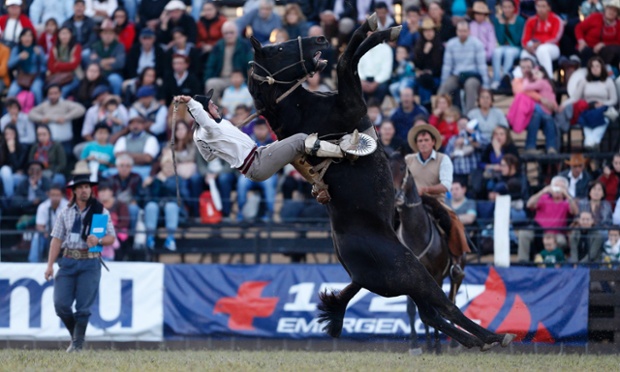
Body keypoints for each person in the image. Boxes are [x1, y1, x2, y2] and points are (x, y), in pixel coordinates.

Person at [177, 90, 354, 202]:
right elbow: (206, 126)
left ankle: (319, 186)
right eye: (210, 104)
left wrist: (223, 143)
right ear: (203, 111)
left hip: (257, 158)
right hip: (256, 163)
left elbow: (209, 156)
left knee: (290, 148)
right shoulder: (207, 129)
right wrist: (191, 102)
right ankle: (344, 151)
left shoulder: (206, 131)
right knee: (300, 140)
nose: (215, 105)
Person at [44, 174, 116, 352]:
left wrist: (98, 241)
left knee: (83, 308)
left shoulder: (100, 211)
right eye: (81, 187)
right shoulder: (65, 212)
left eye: (87, 187)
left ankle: (77, 345)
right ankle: (76, 337)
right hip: (68, 261)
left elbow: (111, 238)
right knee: (61, 305)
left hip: (90, 262)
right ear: (74, 191)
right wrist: (50, 265)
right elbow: (56, 240)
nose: (85, 190)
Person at [404, 124, 468, 281]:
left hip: (435, 201)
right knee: (391, 220)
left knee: (451, 222)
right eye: (420, 141)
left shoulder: (443, 159)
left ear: (433, 142)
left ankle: (455, 261)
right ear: (417, 144)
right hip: (410, 203)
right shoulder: (408, 160)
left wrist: (425, 189)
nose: (423, 143)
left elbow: (446, 185)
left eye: (426, 140)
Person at [558, 56, 618, 150]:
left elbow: (614, 99)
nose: (595, 68)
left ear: (602, 67)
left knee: (605, 117)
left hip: (604, 108)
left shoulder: (608, 81)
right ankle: (591, 142)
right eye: (592, 66)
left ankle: (592, 142)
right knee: (586, 120)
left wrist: (603, 103)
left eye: (597, 66)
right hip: (589, 108)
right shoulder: (584, 82)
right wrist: (563, 104)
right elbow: (575, 97)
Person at [517, 176, 578, 262]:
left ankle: (554, 263)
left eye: (561, 187)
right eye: (556, 186)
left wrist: (567, 194)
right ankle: (523, 262)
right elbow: (529, 204)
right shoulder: (544, 197)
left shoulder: (567, 202)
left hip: (557, 233)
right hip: (538, 229)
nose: (558, 190)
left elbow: (575, 211)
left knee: (561, 241)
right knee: (524, 233)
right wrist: (542, 191)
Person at [439, 20, 489, 114]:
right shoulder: (451, 44)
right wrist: (443, 81)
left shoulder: (477, 44)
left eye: (464, 31)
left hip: (473, 75)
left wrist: (485, 85)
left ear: (469, 31)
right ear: (456, 31)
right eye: (460, 31)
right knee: (445, 87)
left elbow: (482, 66)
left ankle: (469, 115)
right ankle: (440, 114)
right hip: (457, 74)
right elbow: (447, 66)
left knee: (470, 85)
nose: (462, 33)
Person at [28, 84, 86, 156]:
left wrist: (66, 117)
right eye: (51, 93)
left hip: (65, 140)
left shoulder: (66, 104)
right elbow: (31, 114)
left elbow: (81, 109)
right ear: (47, 95)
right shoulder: (44, 105)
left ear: (60, 93)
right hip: (50, 142)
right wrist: (42, 118)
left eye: (55, 93)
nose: (53, 96)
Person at [204, 21, 253, 104]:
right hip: (222, 79)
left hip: (240, 78)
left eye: (231, 32)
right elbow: (210, 66)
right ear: (223, 34)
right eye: (226, 33)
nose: (229, 35)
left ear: (237, 33)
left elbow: (250, 63)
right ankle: (214, 113)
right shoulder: (218, 46)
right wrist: (206, 79)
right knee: (210, 83)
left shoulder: (244, 45)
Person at [520, 0, 564, 77]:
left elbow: (555, 37)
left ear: (549, 8)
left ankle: (549, 79)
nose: (540, 9)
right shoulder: (531, 20)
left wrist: (540, 44)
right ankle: (528, 81)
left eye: (543, 6)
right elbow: (524, 39)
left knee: (542, 50)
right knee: (524, 54)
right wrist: (527, 47)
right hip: (533, 47)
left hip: (552, 47)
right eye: (538, 6)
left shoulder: (556, 19)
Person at [29, 184, 68, 263]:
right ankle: (33, 263)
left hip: (64, 236)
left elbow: (70, 226)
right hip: (47, 235)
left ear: (62, 195)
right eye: (53, 195)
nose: (55, 198)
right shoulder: (43, 206)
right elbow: (39, 226)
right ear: (49, 195)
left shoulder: (68, 206)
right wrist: (46, 233)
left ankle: (68, 263)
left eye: (57, 195)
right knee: (37, 237)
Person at [575, 0, 620, 67]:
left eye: (614, 11)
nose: (611, 12)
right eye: (610, 9)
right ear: (605, 9)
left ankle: (605, 71)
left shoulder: (618, 24)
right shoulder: (595, 17)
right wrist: (581, 41)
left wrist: (604, 44)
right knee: (586, 51)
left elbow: (618, 42)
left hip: (605, 52)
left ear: (617, 14)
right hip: (588, 46)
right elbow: (579, 28)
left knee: (613, 51)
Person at [492, 0, 525, 89]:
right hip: (503, 46)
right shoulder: (498, 20)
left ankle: (505, 79)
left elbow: (517, 40)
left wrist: (510, 24)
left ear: (514, 8)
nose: (507, 10)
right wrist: (502, 25)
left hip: (516, 47)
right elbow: (501, 40)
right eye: (505, 7)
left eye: (509, 7)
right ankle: (496, 80)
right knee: (496, 52)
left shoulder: (520, 20)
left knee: (509, 52)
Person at [7, 28, 46, 104]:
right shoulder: (17, 49)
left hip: (35, 78)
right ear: (20, 38)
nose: (27, 38)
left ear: (33, 38)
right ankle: (6, 114)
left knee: (36, 90)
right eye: (24, 36)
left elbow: (44, 64)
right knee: (12, 92)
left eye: (29, 36)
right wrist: (19, 57)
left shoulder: (38, 48)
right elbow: (9, 65)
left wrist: (40, 55)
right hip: (21, 78)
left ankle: (40, 113)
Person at [88, 19, 126, 95]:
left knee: (114, 79)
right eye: (105, 33)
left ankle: (115, 99)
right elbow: (92, 61)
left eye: (110, 33)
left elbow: (120, 63)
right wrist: (111, 60)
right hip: (98, 73)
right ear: (101, 34)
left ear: (114, 35)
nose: (108, 36)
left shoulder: (119, 46)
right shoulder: (95, 45)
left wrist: (100, 61)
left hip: (114, 73)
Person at [414, 17, 444, 110]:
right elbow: (417, 65)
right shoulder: (419, 46)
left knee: (425, 81)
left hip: (436, 77)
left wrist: (431, 72)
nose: (428, 33)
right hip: (423, 77)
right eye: (426, 31)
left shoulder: (440, 46)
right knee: (423, 80)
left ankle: (425, 107)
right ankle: (425, 107)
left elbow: (441, 66)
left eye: (431, 30)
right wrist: (425, 53)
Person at [96, 181, 129, 261]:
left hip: (116, 231)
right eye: (100, 191)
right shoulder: (95, 205)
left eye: (104, 190)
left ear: (111, 192)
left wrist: (111, 227)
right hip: (98, 231)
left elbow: (125, 222)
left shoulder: (120, 204)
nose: (102, 193)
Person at [62, 0, 98, 65]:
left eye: (81, 6)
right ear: (73, 7)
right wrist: (75, 49)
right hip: (71, 49)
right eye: (77, 6)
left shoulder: (91, 22)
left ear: (85, 8)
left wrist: (81, 49)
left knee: (86, 54)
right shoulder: (67, 23)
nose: (79, 8)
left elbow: (93, 39)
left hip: (86, 49)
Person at [357, 39, 393, 104]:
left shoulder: (386, 49)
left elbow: (386, 71)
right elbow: (357, 66)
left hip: (379, 81)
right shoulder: (359, 48)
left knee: (382, 88)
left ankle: (375, 110)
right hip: (363, 80)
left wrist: (375, 83)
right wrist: (362, 81)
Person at [0, 124, 29, 198]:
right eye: (6, 134)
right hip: (4, 174)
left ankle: (10, 198)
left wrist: (12, 151)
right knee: (5, 170)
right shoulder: (2, 148)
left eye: (11, 134)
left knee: (14, 178)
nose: (9, 136)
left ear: (16, 134)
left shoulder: (23, 148)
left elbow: (18, 166)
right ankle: (10, 197)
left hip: (19, 176)